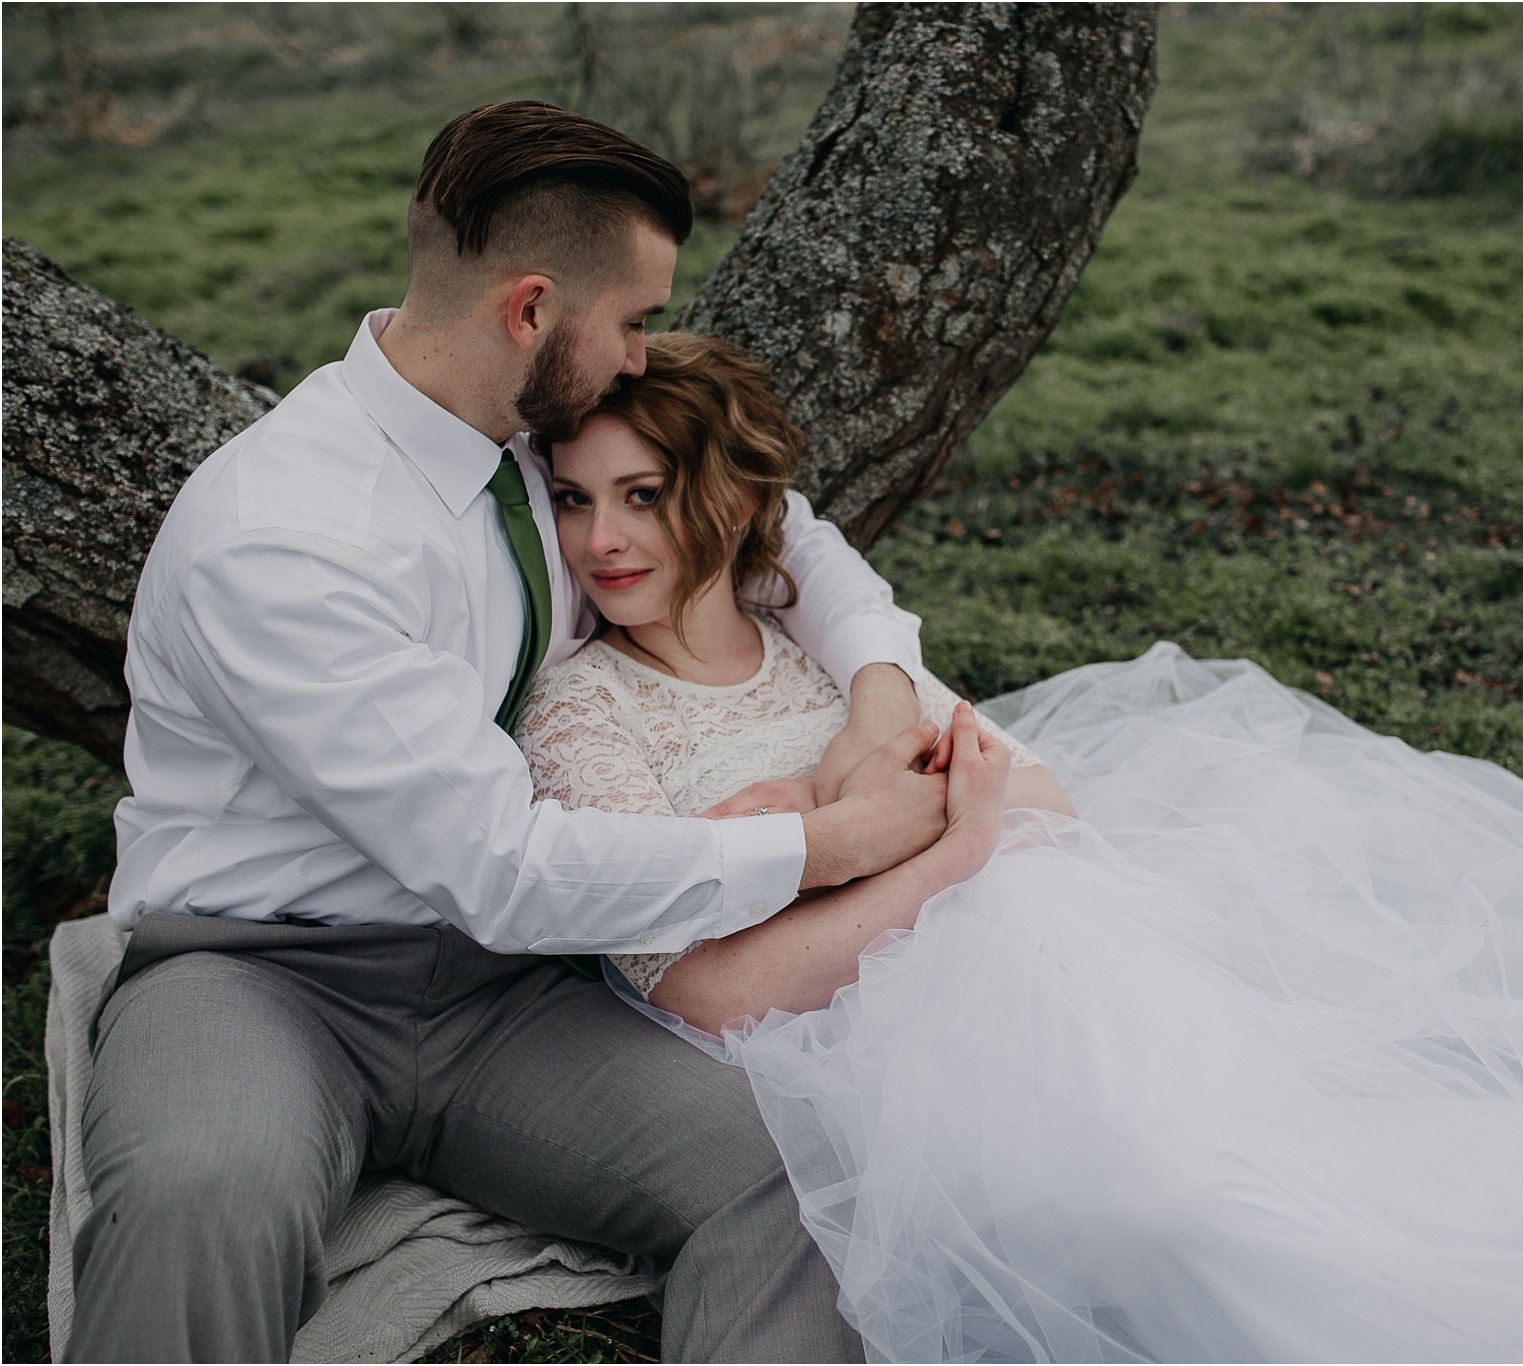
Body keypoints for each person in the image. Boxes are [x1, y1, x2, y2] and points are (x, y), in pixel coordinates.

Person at [521, 334, 1523, 1363]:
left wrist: (843, 820)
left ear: (719, 496)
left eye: (641, 496)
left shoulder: (814, 643)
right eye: (578, 502)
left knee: (1330, 1156)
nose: (605, 541)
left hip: (1059, 966)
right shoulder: (586, 712)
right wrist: (930, 849)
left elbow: (1037, 807)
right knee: (1204, 1219)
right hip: (887, 1048)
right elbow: (707, 993)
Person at [75, 102, 936, 1363]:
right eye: (632, 320)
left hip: (502, 990)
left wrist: (879, 689)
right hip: (264, 969)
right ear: (529, 310)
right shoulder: (284, 534)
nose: (641, 358)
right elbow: (504, 864)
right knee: (203, 1190)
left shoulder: (528, 441)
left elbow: (784, 529)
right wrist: (829, 843)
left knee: (790, 1173)